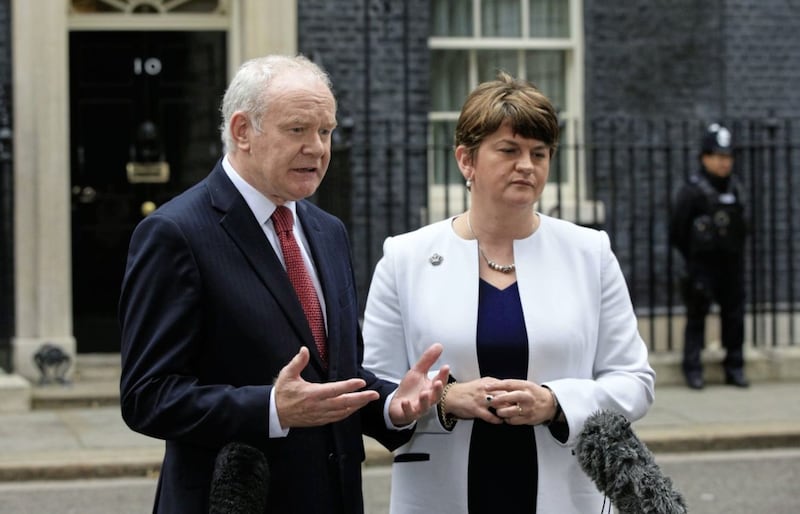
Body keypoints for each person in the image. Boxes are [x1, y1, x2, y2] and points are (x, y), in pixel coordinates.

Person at [118, 55, 450, 514]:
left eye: (325, 131)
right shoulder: (176, 233)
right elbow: (147, 397)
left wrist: (393, 404)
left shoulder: (328, 230)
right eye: (297, 130)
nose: (316, 147)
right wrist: (271, 409)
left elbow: (333, 375)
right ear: (241, 131)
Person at [362, 72, 656, 513]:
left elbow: (634, 381)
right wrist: (443, 399)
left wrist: (555, 402)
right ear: (466, 160)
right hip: (442, 494)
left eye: (540, 153)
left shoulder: (589, 252)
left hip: (565, 495)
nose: (527, 165)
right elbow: (375, 389)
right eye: (509, 150)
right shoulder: (405, 257)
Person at [669, 123, 750, 390]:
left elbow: (747, 225)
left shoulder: (736, 188)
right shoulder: (693, 191)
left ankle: (735, 367)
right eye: (718, 156)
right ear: (705, 158)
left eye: (728, 157)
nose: (724, 162)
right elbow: (677, 231)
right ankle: (693, 368)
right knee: (697, 316)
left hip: (731, 264)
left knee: (735, 317)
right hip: (702, 265)